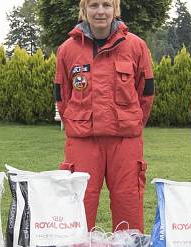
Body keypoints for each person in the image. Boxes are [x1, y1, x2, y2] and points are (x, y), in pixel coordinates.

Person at [54, 0, 154, 232]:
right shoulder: (67, 50)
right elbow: (62, 95)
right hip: (82, 142)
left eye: (107, 5)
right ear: (84, 10)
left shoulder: (136, 46)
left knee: (128, 203)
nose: (100, 11)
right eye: (94, 5)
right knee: (79, 204)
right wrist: (77, 122)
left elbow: (146, 94)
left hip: (125, 142)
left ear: (116, 10)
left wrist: (131, 121)